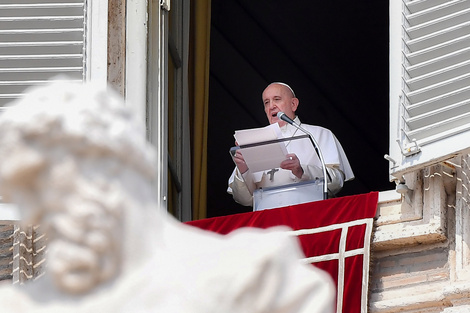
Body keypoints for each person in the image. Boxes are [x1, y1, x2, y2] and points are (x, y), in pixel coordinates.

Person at [0, 80, 335, 313]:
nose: (41, 218)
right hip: (265, 211)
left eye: (63, 188)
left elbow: (333, 179)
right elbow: (243, 196)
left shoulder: (252, 269)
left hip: (304, 213)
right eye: (33, 200)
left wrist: (302, 171)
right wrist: (245, 171)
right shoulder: (27, 304)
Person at [228, 82, 354, 207]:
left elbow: (336, 182)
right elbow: (244, 200)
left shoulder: (319, 134)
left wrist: (302, 171)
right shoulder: (254, 141)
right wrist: (243, 170)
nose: (271, 106)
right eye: (266, 102)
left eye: (277, 99)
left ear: (293, 104)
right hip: (268, 221)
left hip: (310, 214)